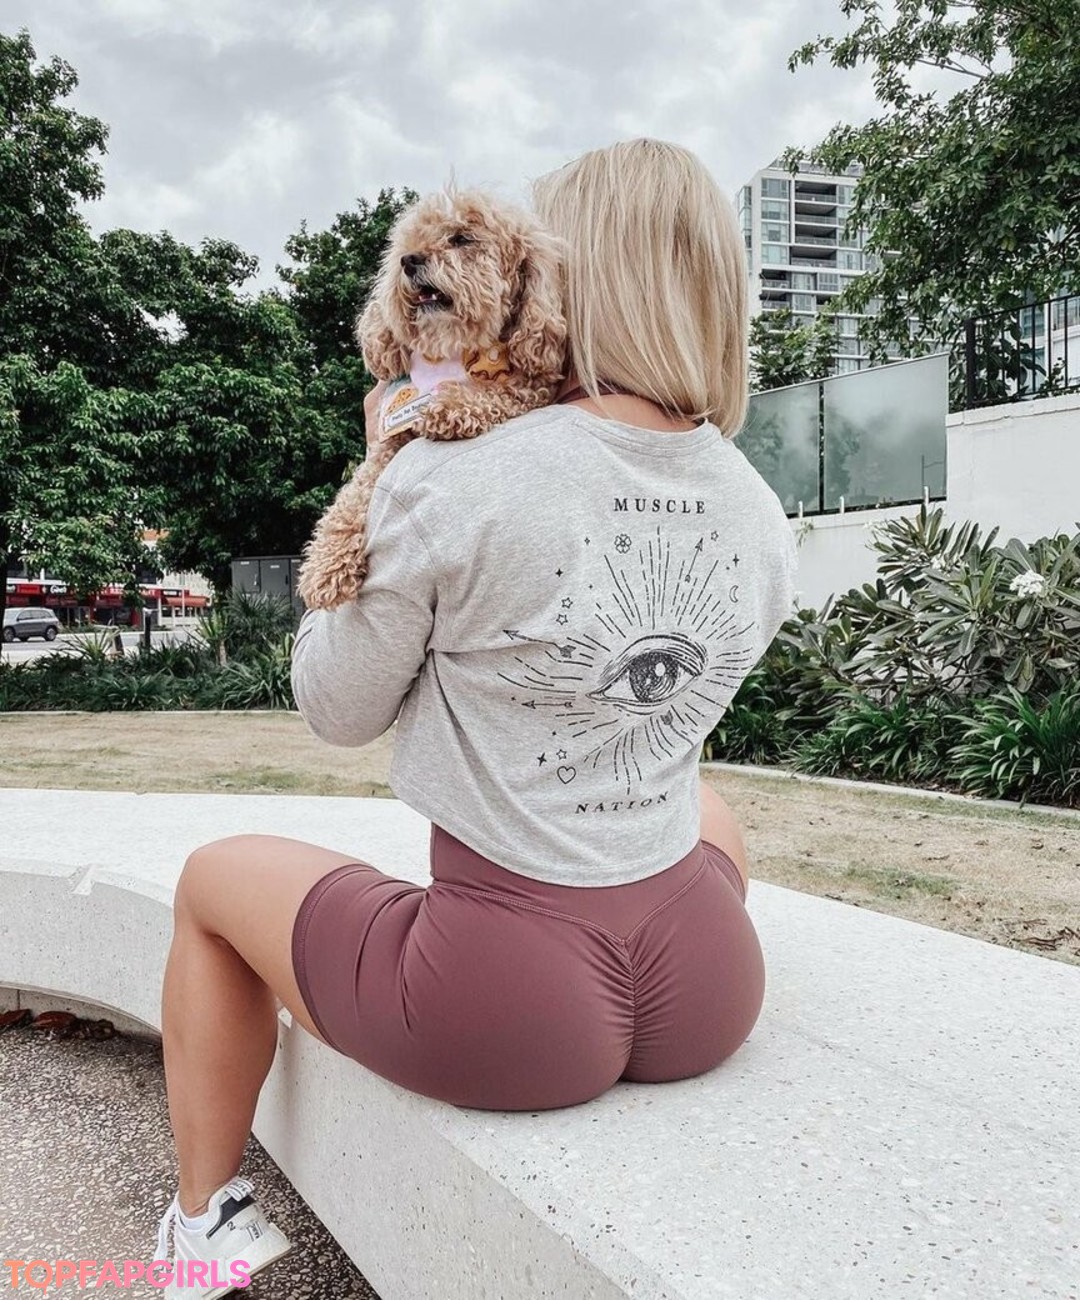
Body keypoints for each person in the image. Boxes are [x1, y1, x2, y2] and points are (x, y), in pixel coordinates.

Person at [154, 138, 798, 1295]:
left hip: (504, 1001)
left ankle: (201, 1227)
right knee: (700, 798)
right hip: (708, 981)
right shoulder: (759, 508)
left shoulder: (455, 472)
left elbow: (335, 705)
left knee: (210, 883)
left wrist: (382, 477)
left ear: (558, 275)